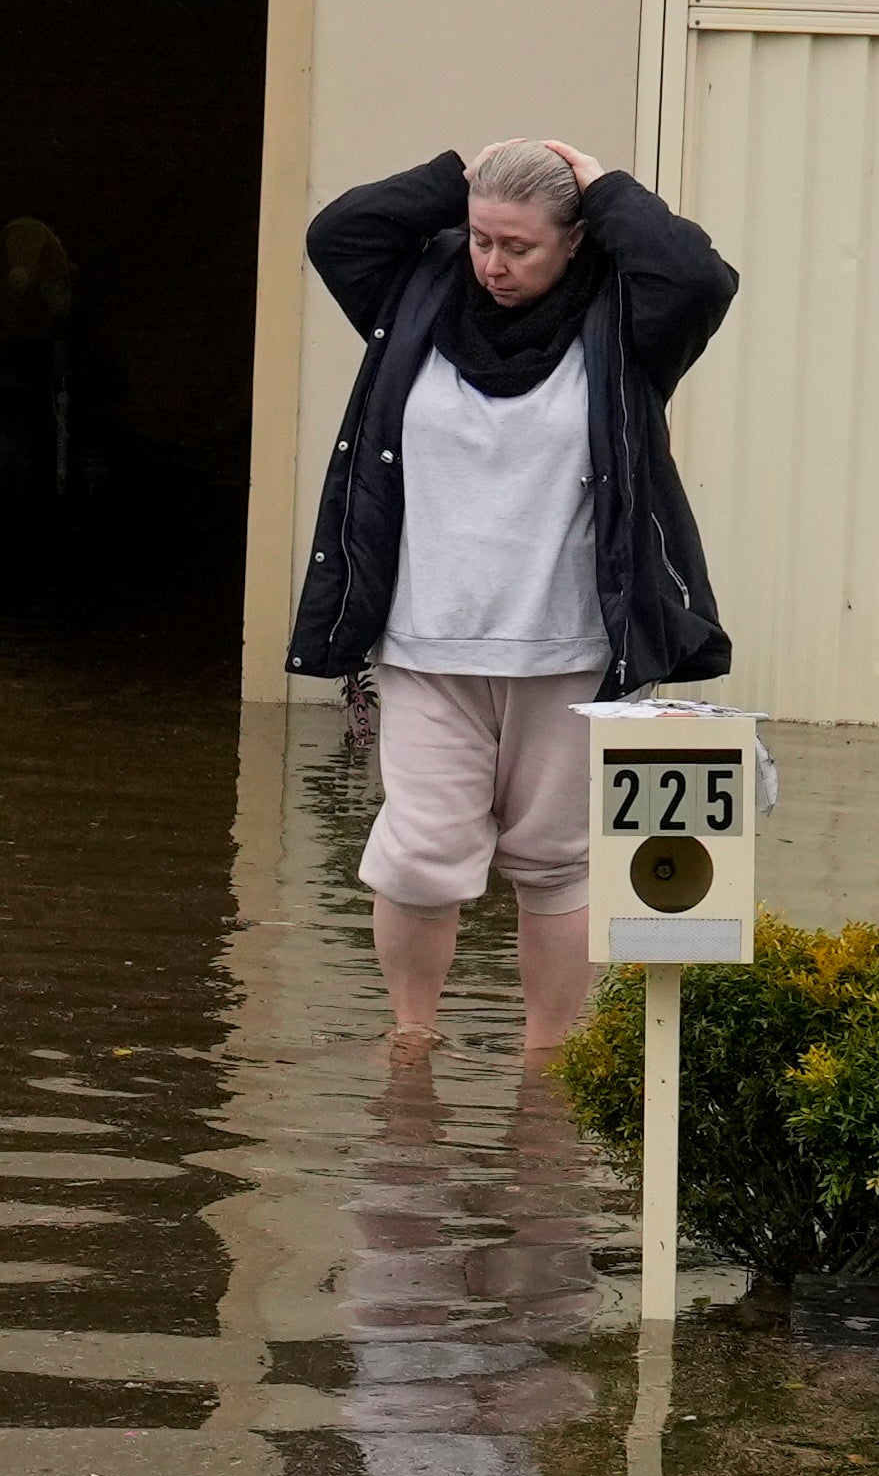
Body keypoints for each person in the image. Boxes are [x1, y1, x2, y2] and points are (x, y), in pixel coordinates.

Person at [280, 132, 737, 1096]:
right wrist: (457, 175)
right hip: (424, 643)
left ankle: (547, 1066)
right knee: (417, 855)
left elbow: (699, 277)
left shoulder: (625, 317)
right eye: (482, 238)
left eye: (519, 245)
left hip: (570, 648)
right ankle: (411, 1047)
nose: (493, 263)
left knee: (559, 863)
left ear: (575, 242)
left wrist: (602, 184)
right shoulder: (414, 293)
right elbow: (336, 235)